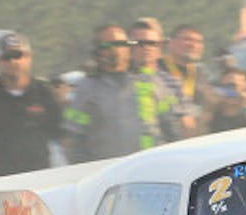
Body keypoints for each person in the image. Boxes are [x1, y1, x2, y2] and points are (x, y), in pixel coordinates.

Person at [63, 24, 176, 163]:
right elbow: (75, 137)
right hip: (108, 172)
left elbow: (170, 127)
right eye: (107, 45)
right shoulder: (86, 87)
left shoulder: (151, 81)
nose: (114, 50)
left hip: (149, 167)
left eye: (120, 44)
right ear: (98, 51)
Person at [0, 33, 62, 178]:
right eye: (6, 57)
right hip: (0, 181)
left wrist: (86, 118)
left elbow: (65, 128)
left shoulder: (46, 92)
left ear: (29, 57)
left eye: (18, 55)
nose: (12, 62)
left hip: (40, 180)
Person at [159, 24, 210, 138]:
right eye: (187, 39)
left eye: (199, 42)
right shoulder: (156, 68)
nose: (193, 45)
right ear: (170, 42)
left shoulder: (201, 73)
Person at [208, 66, 246, 132]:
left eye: (239, 86)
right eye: (229, 86)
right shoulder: (213, 113)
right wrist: (208, 108)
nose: (234, 89)